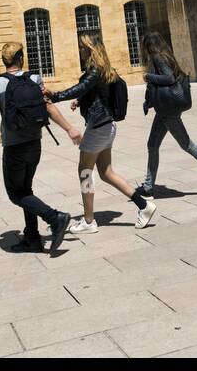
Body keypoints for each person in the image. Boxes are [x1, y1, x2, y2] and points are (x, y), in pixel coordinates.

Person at [45, 34, 158, 233]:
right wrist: (81, 101)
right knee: (106, 172)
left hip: (98, 128)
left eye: (82, 47)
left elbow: (81, 87)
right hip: (107, 126)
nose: (80, 50)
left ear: (90, 49)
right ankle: (144, 205)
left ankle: (88, 221)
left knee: (84, 172)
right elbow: (96, 91)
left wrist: (55, 96)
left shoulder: (95, 69)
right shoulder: (105, 68)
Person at [0, 42, 81, 253]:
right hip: (35, 143)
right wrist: (70, 129)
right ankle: (32, 238)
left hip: (14, 147)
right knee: (26, 190)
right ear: (21, 58)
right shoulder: (34, 79)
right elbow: (48, 107)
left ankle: (55, 217)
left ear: (4, 60)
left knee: (16, 194)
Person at [141, 31, 197, 197]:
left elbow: (168, 78)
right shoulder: (166, 55)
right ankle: (148, 187)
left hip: (167, 111)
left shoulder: (158, 58)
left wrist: (148, 76)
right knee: (152, 145)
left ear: (149, 46)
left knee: (187, 145)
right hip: (164, 110)